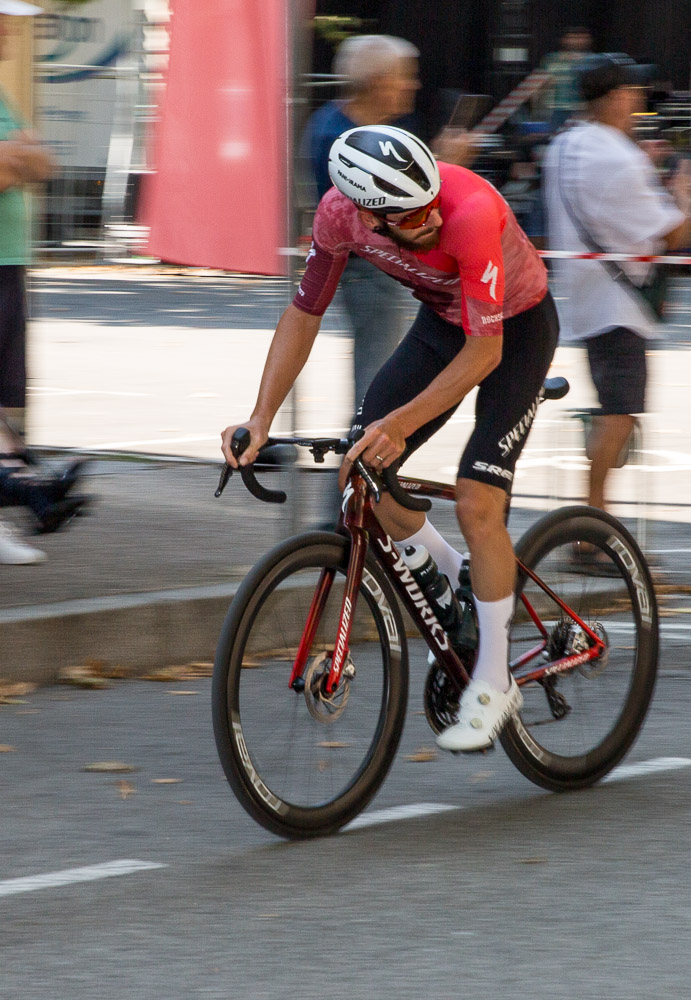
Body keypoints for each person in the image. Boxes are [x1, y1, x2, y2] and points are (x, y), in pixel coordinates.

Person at [221, 125, 556, 752]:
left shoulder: (470, 211)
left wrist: (399, 424)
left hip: (513, 332)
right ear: (369, 218)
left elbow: (486, 352)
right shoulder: (338, 217)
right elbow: (303, 313)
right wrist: (261, 416)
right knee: (359, 472)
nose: (430, 220)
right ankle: (461, 573)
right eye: (411, 217)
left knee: (477, 501)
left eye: (431, 204)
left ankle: (494, 678)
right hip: (441, 324)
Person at [302, 35, 478, 518]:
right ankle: (344, 516)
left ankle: (358, 508)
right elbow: (383, 219)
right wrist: (447, 172)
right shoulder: (338, 137)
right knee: (374, 400)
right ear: (378, 82)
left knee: (380, 395)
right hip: (369, 280)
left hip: (381, 280)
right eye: (405, 74)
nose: (413, 85)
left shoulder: (363, 130)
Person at [542, 54, 691, 523]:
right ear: (613, 99)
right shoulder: (620, 158)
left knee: (613, 405)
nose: (637, 104)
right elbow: (674, 233)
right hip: (621, 303)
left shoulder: (564, 145)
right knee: (621, 411)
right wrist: (687, 191)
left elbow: (603, 199)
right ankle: (594, 513)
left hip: (586, 298)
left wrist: (642, 169)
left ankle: (594, 512)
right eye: (631, 94)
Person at [1, 0, 85, 564]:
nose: (8, 31)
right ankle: (25, 486)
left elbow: (41, 162)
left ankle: (24, 486)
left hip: (10, 263)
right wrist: (16, 159)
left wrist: (18, 158)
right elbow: (14, 162)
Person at [537, 27, 592, 128]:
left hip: (581, 109)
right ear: (564, 39)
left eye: (581, 37)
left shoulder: (593, 60)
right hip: (557, 109)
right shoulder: (551, 59)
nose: (576, 41)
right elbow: (541, 85)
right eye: (572, 37)